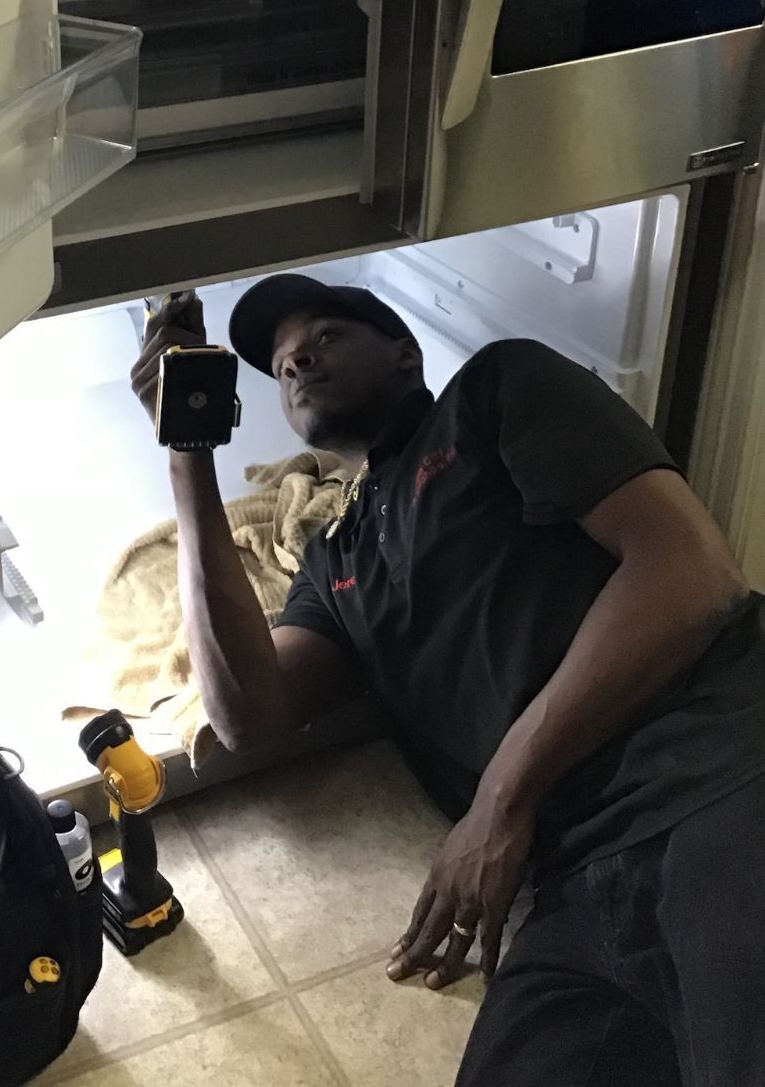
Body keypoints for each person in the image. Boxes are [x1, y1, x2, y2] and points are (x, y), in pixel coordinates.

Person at [130, 276, 765, 1087]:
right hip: (572, 890)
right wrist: (187, 452)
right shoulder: (336, 558)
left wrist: (498, 802)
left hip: (719, 768)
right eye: (282, 366)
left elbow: (693, 574)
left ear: (404, 352)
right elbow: (249, 711)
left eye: (322, 335)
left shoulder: (496, 392)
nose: (295, 362)